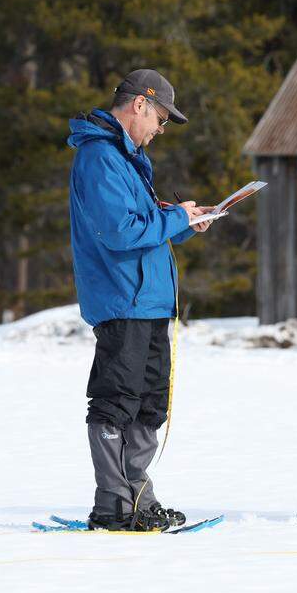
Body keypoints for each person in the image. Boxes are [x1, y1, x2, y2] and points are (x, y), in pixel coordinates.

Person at [67, 69, 212, 531]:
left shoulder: (127, 160)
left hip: (148, 301)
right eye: (161, 119)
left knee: (150, 403)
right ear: (139, 105)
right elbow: (119, 233)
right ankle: (112, 501)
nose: (160, 130)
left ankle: (137, 497)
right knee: (117, 399)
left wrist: (182, 221)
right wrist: (174, 221)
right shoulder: (100, 158)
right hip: (121, 299)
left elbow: (142, 227)